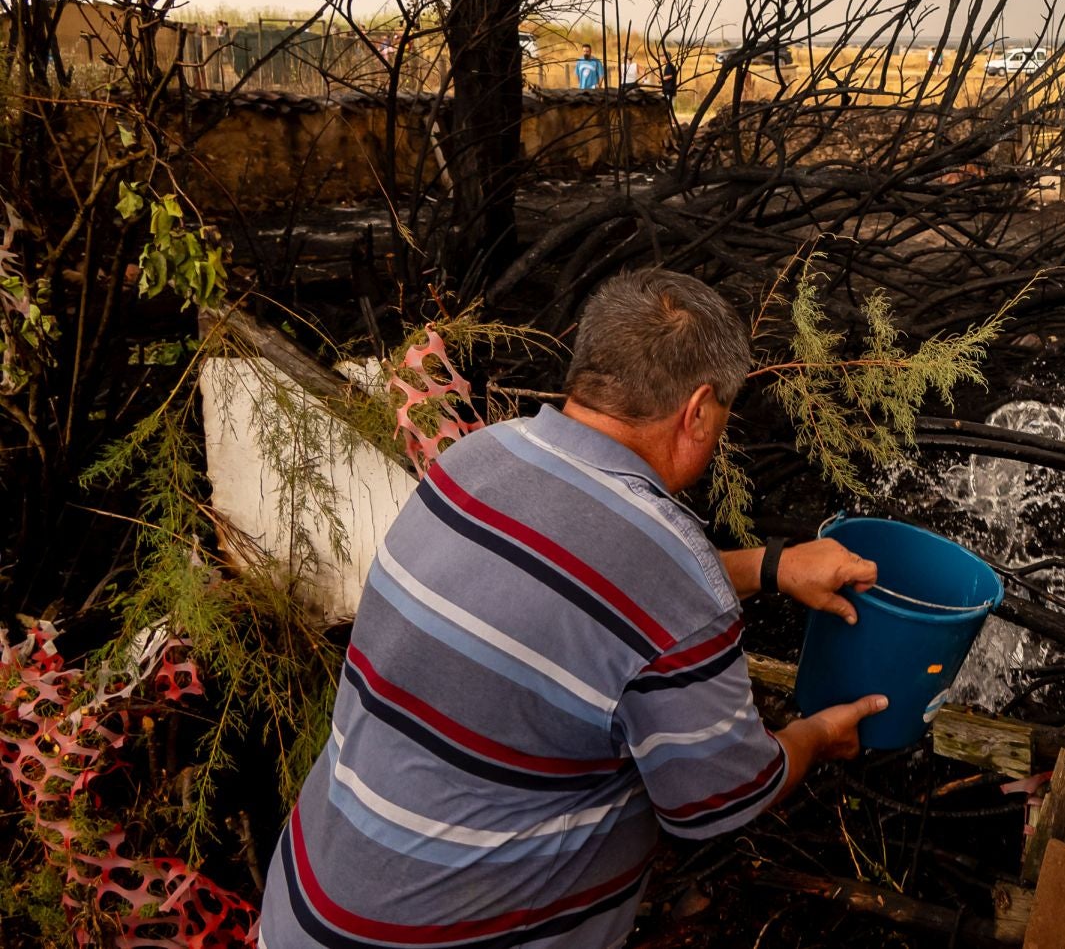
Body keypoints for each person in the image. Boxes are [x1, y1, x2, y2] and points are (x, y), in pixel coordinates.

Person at [258, 269, 887, 948]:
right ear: (700, 410)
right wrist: (818, 737)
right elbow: (723, 801)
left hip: (304, 912)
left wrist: (770, 567)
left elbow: (604, 606)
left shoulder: (474, 461)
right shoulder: (672, 577)